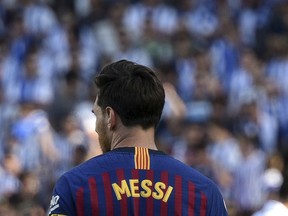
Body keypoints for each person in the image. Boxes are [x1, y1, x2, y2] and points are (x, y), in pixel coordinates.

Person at [48, 60, 228, 215]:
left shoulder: (75, 185)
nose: (95, 127)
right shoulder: (204, 192)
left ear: (110, 117)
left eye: (97, 115)